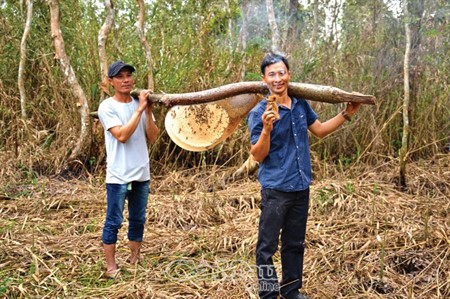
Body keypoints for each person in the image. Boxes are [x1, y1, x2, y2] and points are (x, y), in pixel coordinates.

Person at [247, 52, 361, 299]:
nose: (278, 79)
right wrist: (267, 129)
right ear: (264, 79)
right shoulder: (259, 113)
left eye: (281, 73)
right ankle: (268, 294)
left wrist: (347, 114)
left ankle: (291, 291)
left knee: (294, 243)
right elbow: (257, 155)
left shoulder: (299, 104)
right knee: (266, 247)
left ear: (288, 75)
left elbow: (319, 130)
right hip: (276, 189)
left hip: (300, 186)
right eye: (272, 75)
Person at [98, 61, 159, 279]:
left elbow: (152, 137)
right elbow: (122, 136)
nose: (126, 80)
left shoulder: (139, 103)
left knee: (138, 219)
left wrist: (147, 110)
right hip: (118, 175)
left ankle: (135, 258)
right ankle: (111, 266)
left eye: (129, 76)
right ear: (111, 81)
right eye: (120, 76)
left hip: (141, 172)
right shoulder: (107, 107)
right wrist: (140, 109)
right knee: (114, 221)